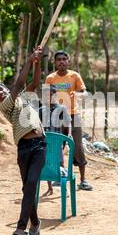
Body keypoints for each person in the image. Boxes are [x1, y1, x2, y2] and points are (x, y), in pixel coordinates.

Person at [0, 47, 45, 235]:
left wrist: (36, 63)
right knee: (27, 188)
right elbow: (19, 83)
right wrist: (29, 60)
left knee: (30, 185)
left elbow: (34, 83)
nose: (0, 93)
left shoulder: (23, 97)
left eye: (1, 89)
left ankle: (21, 229)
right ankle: (35, 224)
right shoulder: (5, 106)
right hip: (24, 149)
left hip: (39, 146)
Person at [45, 50, 93, 191]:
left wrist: (78, 94)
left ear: (68, 61)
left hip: (73, 115)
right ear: (54, 62)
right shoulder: (50, 78)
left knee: (77, 145)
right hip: (56, 115)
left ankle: (83, 180)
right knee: (57, 145)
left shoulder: (74, 76)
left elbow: (85, 92)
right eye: (59, 59)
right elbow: (46, 96)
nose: (62, 61)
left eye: (64, 59)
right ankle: (59, 176)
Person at [38, 84, 71, 196]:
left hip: (57, 141)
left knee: (60, 163)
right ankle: (50, 187)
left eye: (51, 95)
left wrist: (64, 141)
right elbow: (39, 126)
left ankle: (64, 187)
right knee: (46, 163)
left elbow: (66, 126)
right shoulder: (41, 110)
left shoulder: (62, 109)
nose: (48, 98)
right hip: (45, 141)